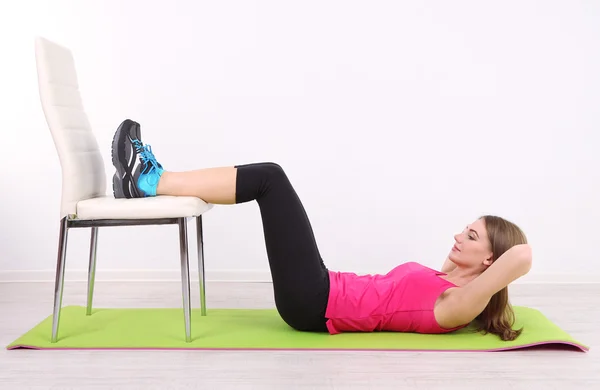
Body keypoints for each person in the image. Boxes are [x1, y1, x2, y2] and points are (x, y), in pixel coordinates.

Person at [111, 119, 533, 341]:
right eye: (466, 229)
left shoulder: (458, 304)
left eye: (472, 237)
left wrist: (494, 262)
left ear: (492, 261)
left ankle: (151, 181)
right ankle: (149, 180)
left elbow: (521, 256)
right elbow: (472, 264)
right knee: (272, 179)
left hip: (315, 303)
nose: (459, 236)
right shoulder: (448, 279)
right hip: (324, 286)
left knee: (271, 179)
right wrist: (472, 253)